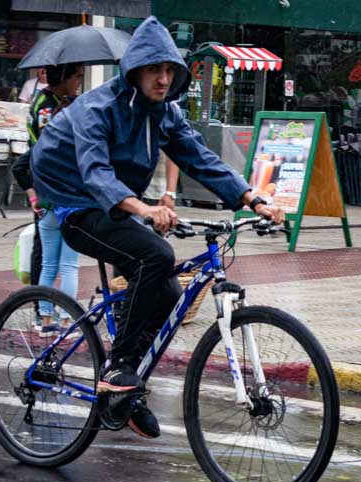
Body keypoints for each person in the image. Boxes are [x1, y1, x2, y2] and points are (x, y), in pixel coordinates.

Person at [31, 17, 283, 439]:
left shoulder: (164, 113)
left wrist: (252, 198)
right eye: (154, 70)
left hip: (116, 202)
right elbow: (95, 173)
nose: (163, 79)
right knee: (156, 255)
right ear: (134, 71)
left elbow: (199, 158)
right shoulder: (98, 108)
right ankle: (118, 371)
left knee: (168, 289)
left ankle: (126, 395)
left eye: (170, 71)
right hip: (74, 202)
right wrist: (144, 209)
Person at [12, 63, 84, 336]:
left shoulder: (47, 109)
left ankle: (44, 320)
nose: (79, 80)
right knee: (68, 265)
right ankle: (66, 321)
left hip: (46, 203)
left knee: (48, 264)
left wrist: (33, 196)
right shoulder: (50, 111)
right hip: (69, 205)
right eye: (77, 75)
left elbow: (20, 166)